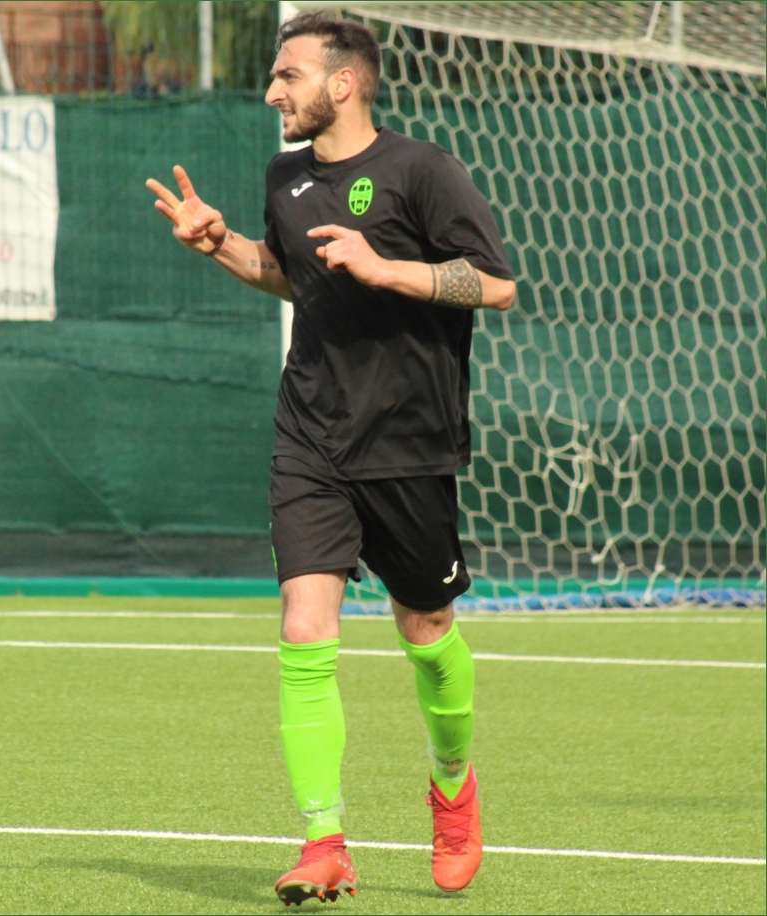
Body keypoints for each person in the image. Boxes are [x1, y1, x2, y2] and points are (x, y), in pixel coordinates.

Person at [146, 11, 516, 907]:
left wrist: (390, 269)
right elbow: (289, 272)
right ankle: (324, 843)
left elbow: (496, 284)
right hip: (310, 434)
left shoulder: (423, 170)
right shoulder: (285, 175)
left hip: (410, 443)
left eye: (289, 75)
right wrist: (222, 245)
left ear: (342, 82)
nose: (272, 91)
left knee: (427, 631)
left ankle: (453, 790)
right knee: (304, 628)